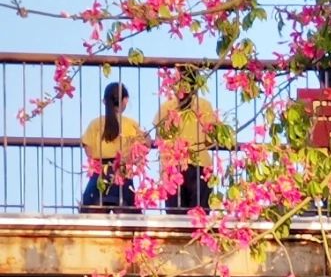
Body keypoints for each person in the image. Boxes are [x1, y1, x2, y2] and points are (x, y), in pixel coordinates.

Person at [155, 66, 224, 212]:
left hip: (172, 167)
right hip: (199, 165)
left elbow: (159, 139)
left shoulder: (166, 107)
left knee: (176, 220)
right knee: (199, 217)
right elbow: (212, 138)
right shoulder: (204, 105)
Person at [81, 82, 147, 210]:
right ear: (125, 100)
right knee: (128, 223)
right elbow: (144, 147)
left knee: (91, 218)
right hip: (123, 175)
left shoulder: (94, 124)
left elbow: (89, 152)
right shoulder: (131, 124)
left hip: (99, 175)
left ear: (104, 101)